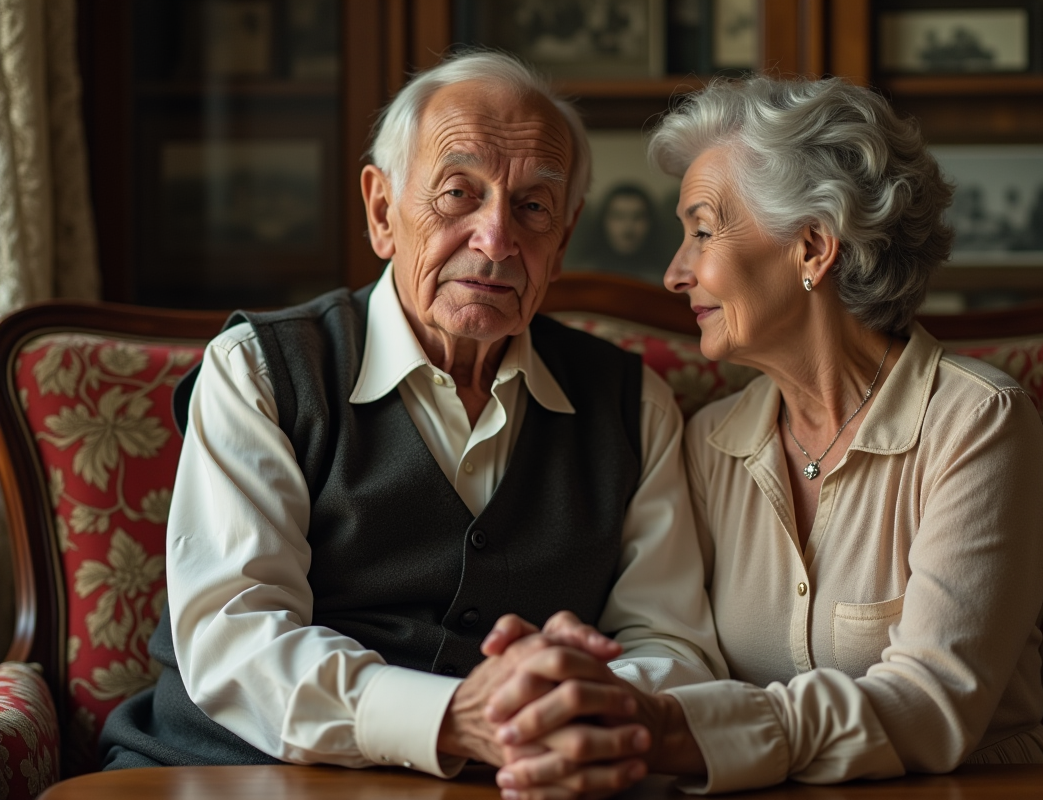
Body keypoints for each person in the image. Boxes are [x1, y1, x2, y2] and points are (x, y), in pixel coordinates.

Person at [97, 50, 726, 780]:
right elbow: (237, 637)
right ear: (381, 210)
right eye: (459, 193)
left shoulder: (630, 404)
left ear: (562, 239)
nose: (496, 241)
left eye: (532, 207)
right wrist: (452, 719)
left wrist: (579, 716)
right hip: (239, 773)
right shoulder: (260, 373)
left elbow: (673, 648)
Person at [482, 75, 1043, 797]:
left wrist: (670, 731)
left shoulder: (975, 424)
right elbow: (675, 650)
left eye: (701, 230)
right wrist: (586, 683)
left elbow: (933, 701)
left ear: (813, 248)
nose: (673, 272)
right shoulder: (707, 442)